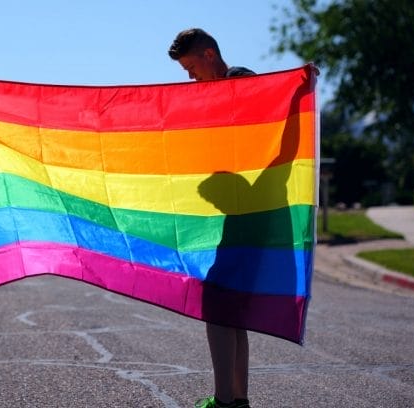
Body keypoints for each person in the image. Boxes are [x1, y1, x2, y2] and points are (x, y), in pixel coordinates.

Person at [168, 29, 254, 408]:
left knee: (218, 304)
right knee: (230, 309)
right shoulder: (217, 91)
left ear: (208, 54)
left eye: (191, 67)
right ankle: (237, 401)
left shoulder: (239, 82)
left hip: (252, 211)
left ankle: (224, 402)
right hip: (240, 212)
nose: (189, 77)